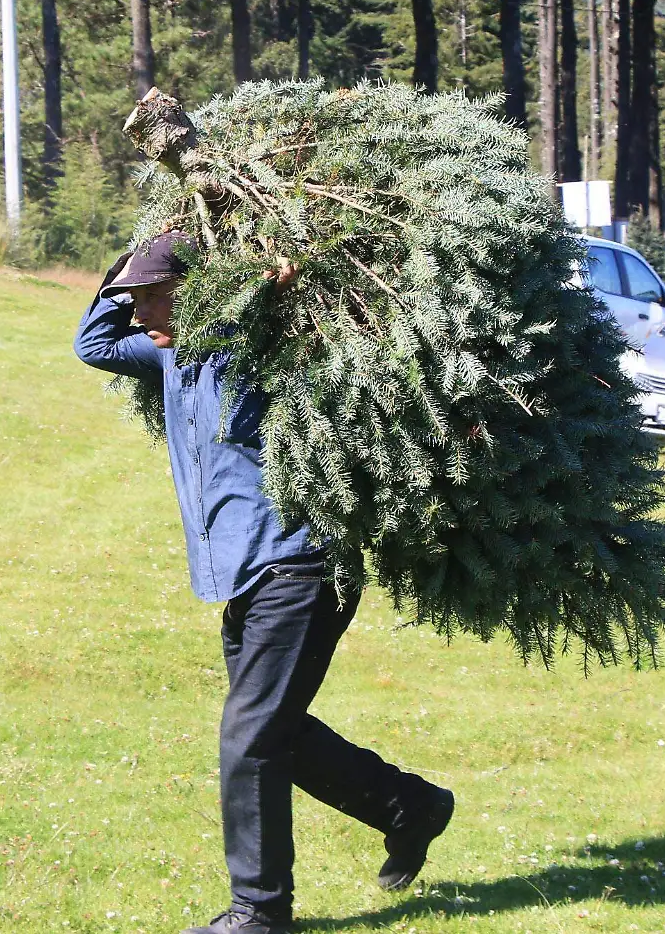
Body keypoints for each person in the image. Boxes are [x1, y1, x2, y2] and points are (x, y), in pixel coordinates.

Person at [73, 232, 455, 934]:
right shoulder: (170, 358)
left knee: (248, 738)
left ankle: (260, 915)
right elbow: (92, 346)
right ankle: (409, 806)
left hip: (302, 568)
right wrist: (123, 270)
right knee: (272, 733)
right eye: (136, 298)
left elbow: (286, 302)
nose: (141, 310)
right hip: (247, 576)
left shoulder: (242, 350)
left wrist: (260, 270)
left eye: (155, 294)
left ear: (198, 293)